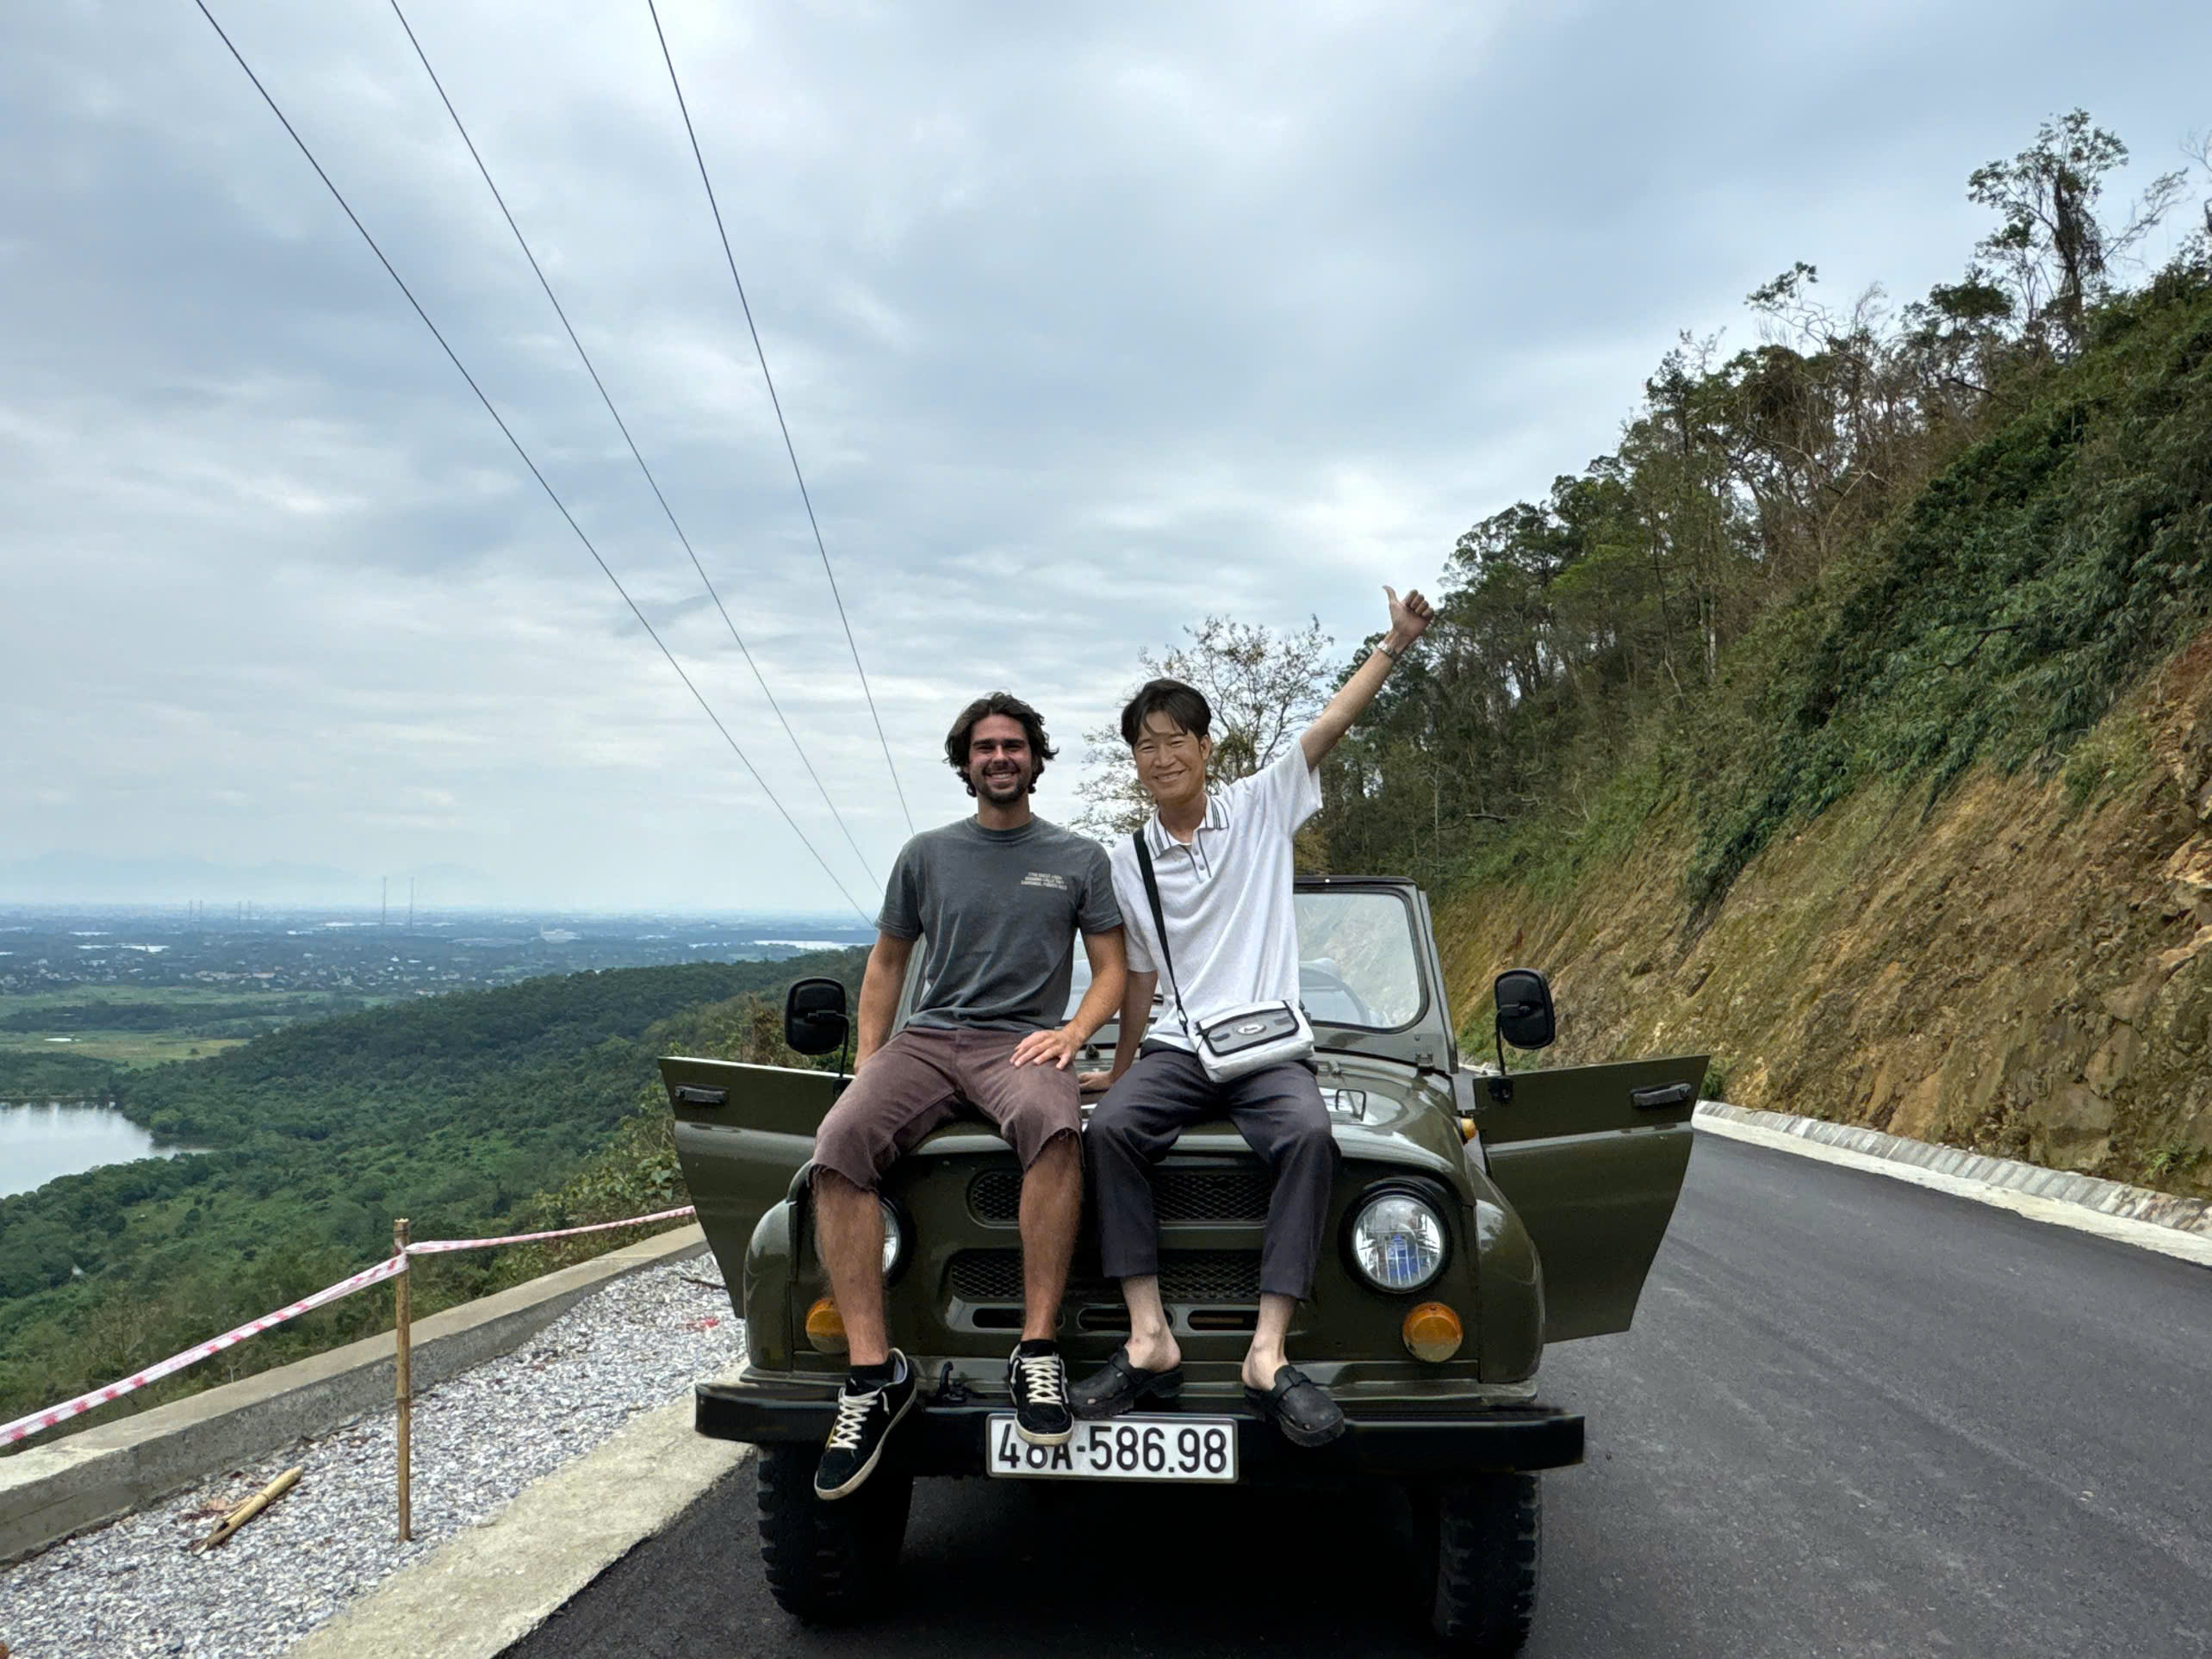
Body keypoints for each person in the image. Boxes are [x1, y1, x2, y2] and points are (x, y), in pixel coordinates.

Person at [1072, 586, 1435, 1446]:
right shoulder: (1128, 860)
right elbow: (1139, 978)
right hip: (1181, 1046)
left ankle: (1266, 1354)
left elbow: (1331, 722)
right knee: (1111, 1131)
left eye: (1177, 740)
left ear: (1206, 747)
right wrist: (1119, 1071)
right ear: (1135, 762)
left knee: (1308, 1136)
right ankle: (1149, 1337)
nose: (1163, 757)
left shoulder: (1261, 805)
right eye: (1146, 745)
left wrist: (1395, 643)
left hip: (1269, 1043)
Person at [809, 693, 1127, 1501]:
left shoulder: (1079, 858)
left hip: (1020, 1042)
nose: (1000, 757)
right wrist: (870, 1061)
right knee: (837, 1145)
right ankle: (873, 1373)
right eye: (985, 747)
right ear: (966, 763)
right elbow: (887, 963)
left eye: (1013, 745)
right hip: (926, 1040)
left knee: (1055, 1127)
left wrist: (1072, 1032)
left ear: (1035, 759)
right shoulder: (925, 855)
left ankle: (1037, 1350)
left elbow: (1113, 969)